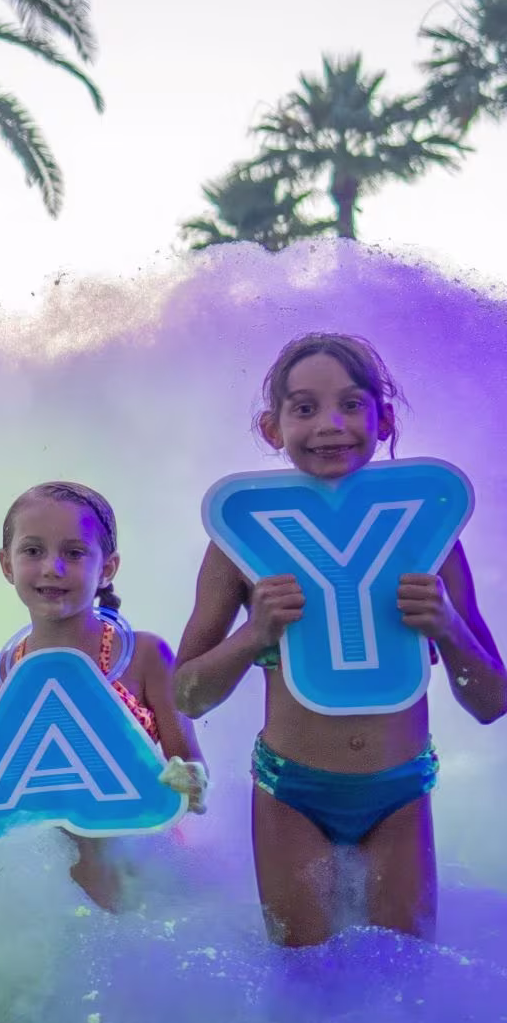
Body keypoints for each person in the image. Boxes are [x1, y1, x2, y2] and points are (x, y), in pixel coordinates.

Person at [173, 334, 503, 945]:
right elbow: (188, 695)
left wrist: (448, 629)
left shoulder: (427, 534)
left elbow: (491, 702)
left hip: (400, 792)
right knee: (307, 981)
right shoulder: (242, 545)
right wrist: (254, 635)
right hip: (292, 793)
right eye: (304, 408)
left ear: (384, 419)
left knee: (401, 975)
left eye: (352, 404)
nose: (331, 424)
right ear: (272, 428)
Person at [0, 482, 205, 910]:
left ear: (108, 567)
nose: (52, 568)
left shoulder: (145, 655)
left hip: (140, 868)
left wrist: (189, 780)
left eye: (74, 553)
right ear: (6, 565)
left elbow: (188, 761)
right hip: (45, 883)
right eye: (32, 551)